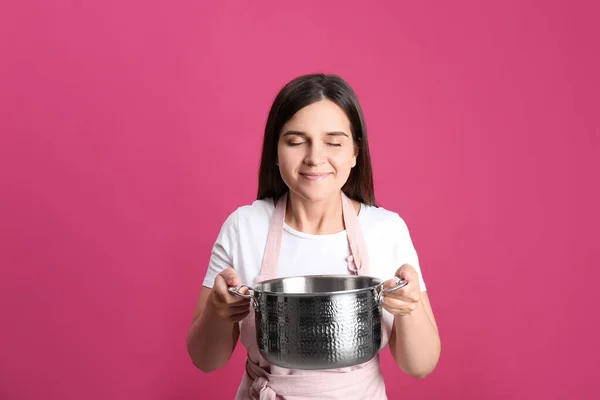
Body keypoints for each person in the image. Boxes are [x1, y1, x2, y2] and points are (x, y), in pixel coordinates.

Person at [186, 73, 441, 399]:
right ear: (275, 152)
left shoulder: (387, 230)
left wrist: (409, 308)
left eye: (334, 142)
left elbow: (420, 365)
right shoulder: (243, 227)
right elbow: (205, 359)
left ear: (354, 153)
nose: (315, 157)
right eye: (295, 141)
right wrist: (218, 313)